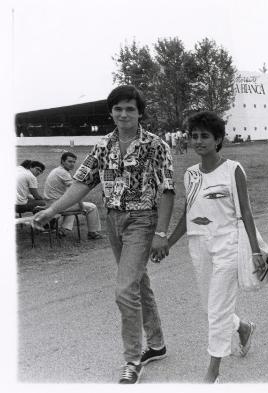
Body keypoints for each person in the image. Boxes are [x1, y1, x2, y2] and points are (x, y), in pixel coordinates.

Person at [33, 85, 175, 384]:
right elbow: (81, 184)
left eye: (130, 109)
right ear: (111, 111)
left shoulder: (155, 145)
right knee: (138, 283)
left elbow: (167, 190)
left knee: (125, 290)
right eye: (118, 109)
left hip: (142, 220)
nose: (124, 114)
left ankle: (132, 359)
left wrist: (161, 231)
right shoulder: (102, 146)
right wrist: (52, 210)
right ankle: (158, 344)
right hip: (113, 220)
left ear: (140, 113)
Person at [165, 111, 267, 383]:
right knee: (210, 307)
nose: (198, 141)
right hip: (199, 244)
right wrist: (168, 242)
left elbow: (246, 212)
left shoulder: (233, 169)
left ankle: (213, 373)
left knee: (218, 309)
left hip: (228, 245)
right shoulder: (190, 175)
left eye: (204, 136)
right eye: (194, 136)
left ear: (218, 139)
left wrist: (256, 251)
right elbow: (188, 213)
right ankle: (243, 327)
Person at [44, 152, 102, 239]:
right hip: (55, 204)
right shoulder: (63, 173)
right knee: (92, 207)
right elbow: (76, 194)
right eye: (69, 161)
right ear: (62, 161)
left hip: (50, 203)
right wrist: (82, 207)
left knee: (71, 205)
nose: (72, 164)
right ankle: (93, 233)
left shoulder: (56, 170)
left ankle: (63, 231)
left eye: (74, 162)